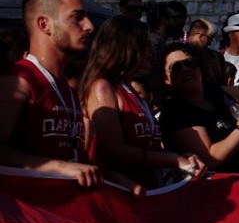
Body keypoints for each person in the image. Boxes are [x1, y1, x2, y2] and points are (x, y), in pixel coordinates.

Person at [81, 16, 205, 190]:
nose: (151, 52)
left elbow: (146, 147)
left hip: (147, 191)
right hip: (119, 195)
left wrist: (181, 157)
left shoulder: (131, 91)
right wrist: (173, 159)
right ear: (126, 48)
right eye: (145, 46)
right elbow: (115, 151)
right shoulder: (103, 87)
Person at [0, 0, 99, 186]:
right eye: (77, 18)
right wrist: (58, 167)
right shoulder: (18, 82)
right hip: (31, 212)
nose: (89, 26)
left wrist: (110, 177)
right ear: (45, 24)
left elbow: (72, 157)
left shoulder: (66, 87)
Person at [158, 35, 239, 174]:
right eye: (176, 67)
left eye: (190, 63)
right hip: (216, 188)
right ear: (165, 78)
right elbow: (210, 158)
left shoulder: (213, 93)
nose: (185, 69)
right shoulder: (176, 112)